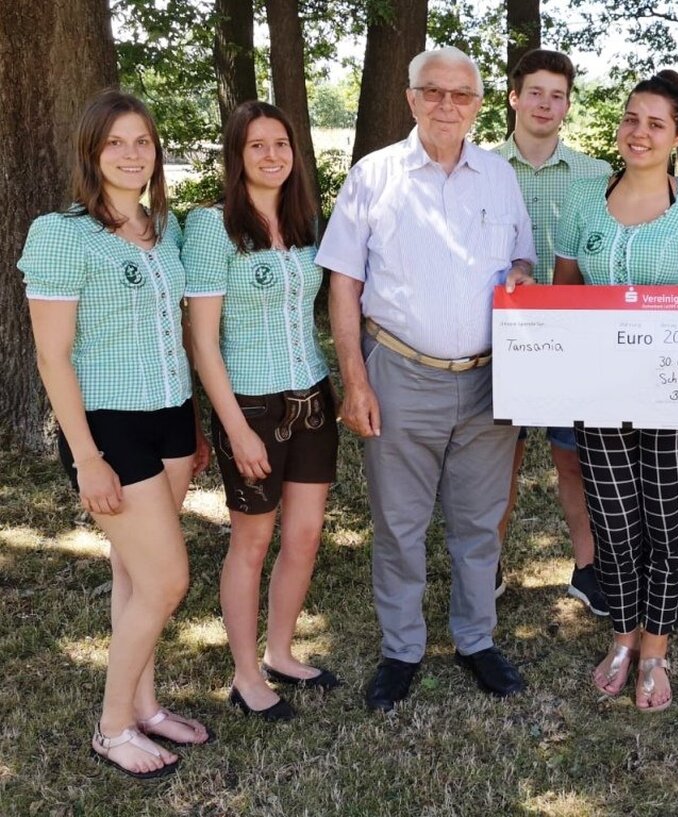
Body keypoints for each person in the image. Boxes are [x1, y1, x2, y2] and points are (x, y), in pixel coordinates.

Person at [318, 46, 536, 712]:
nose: (448, 104)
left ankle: (476, 639)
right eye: (433, 92)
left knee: (478, 524)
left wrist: (523, 281)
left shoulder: (500, 177)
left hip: (488, 381)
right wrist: (355, 380)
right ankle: (402, 648)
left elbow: (522, 257)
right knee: (400, 525)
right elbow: (343, 285)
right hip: (399, 374)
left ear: (479, 104)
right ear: (410, 98)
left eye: (461, 94)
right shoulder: (373, 175)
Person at [18, 90, 211, 779]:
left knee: (136, 575)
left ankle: (146, 705)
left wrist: (193, 424)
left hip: (169, 418)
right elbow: (51, 356)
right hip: (108, 428)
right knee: (167, 579)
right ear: (92, 154)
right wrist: (87, 456)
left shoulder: (166, 229)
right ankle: (110, 727)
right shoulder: (62, 235)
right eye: (116, 143)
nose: (133, 154)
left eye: (143, 142)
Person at [554, 70, 678, 712]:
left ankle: (656, 652)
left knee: (665, 527)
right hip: (599, 395)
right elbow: (562, 300)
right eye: (631, 119)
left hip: (676, 400)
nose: (639, 133)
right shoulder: (583, 204)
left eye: (655, 124)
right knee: (614, 525)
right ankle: (621, 639)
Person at [183, 101, 341, 723]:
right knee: (252, 542)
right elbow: (202, 340)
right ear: (236, 156)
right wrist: (234, 426)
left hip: (314, 397)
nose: (273, 155)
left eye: (282, 143)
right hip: (251, 403)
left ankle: (280, 651)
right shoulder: (211, 227)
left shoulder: (306, 223)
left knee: (303, 537)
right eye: (257, 146)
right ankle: (246, 675)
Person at [493, 49, 612, 615]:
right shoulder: (482, 167)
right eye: (535, 92)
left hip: (577, 341)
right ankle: (487, 564)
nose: (545, 103)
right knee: (499, 459)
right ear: (514, 97)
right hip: (500, 336)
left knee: (574, 458)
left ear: (567, 104)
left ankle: (588, 567)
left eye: (557, 94)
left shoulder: (597, 175)